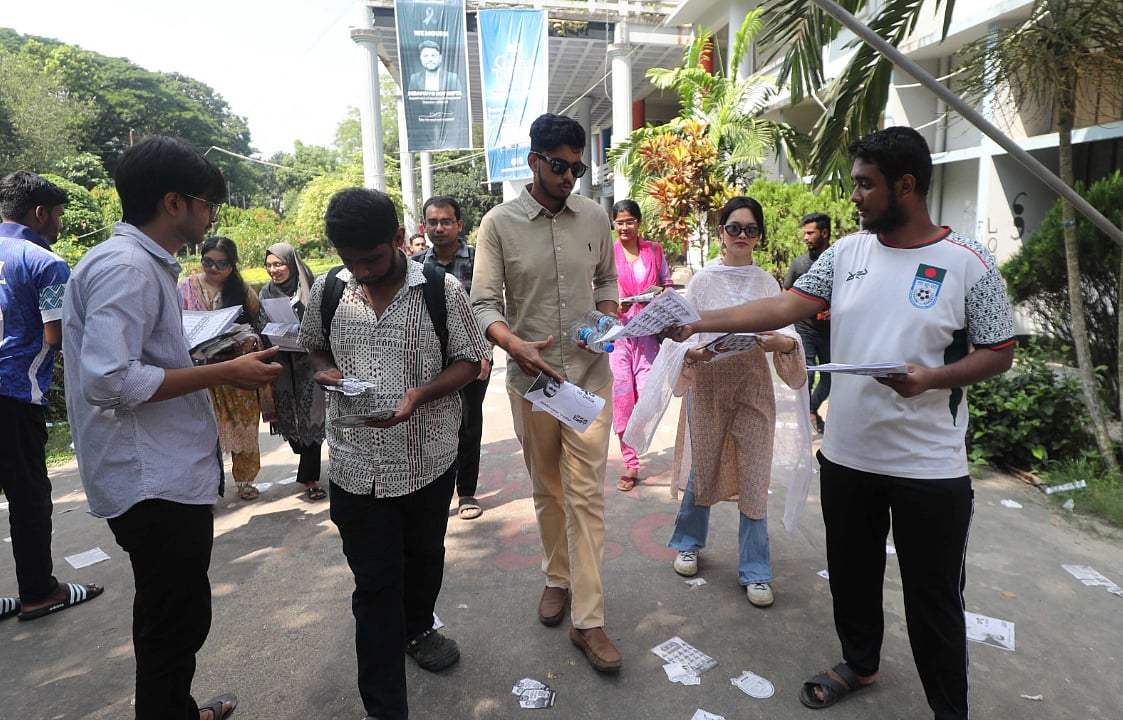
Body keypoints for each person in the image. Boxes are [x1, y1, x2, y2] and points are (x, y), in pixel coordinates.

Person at [667, 126, 1015, 720]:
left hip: (927, 467)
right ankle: (861, 662)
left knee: (932, 598)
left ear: (905, 185)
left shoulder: (968, 264)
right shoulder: (846, 254)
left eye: (865, 184)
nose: (854, 196)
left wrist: (930, 378)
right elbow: (784, 305)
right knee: (852, 578)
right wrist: (698, 320)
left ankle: (948, 709)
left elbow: (1000, 350)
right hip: (849, 458)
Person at [63, 135, 282, 720]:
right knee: (173, 619)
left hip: (161, 471)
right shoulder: (127, 268)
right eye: (207, 202)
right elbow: (109, 381)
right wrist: (224, 372)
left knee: (173, 612)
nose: (211, 215)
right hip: (148, 478)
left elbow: (141, 358)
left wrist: (207, 362)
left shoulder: (141, 265)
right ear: (174, 202)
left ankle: (174, 709)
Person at [299, 188, 489, 720]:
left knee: (425, 557)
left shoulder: (440, 290)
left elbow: (471, 362)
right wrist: (324, 369)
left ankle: (419, 627)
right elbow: (313, 343)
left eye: (373, 259)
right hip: (356, 465)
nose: (360, 270)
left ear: (399, 240)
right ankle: (386, 708)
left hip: (427, 460)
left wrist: (419, 395)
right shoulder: (330, 291)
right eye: (349, 260)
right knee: (375, 583)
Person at [472, 112, 623, 672]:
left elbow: (607, 278)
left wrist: (606, 314)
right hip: (532, 383)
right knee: (549, 490)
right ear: (533, 161)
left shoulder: (595, 217)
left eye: (577, 169)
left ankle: (590, 620)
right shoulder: (498, 224)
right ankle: (556, 576)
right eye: (559, 166)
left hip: (588, 379)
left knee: (587, 496)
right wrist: (515, 345)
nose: (568, 179)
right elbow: (483, 302)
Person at [662, 196, 811, 608]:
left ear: (759, 236)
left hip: (753, 387)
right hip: (709, 386)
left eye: (750, 230)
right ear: (720, 233)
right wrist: (694, 353)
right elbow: (684, 338)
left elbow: (789, 337)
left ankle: (756, 570)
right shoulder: (703, 281)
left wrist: (778, 341)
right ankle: (689, 543)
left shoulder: (767, 283)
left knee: (754, 474)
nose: (742, 236)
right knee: (704, 465)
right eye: (734, 228)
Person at [0, 171, 103, 622]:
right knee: (28, 497)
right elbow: (57, 334)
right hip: (13, 394)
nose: (59, 224)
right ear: (39, 213)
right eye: (59, 215)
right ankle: (39, 591)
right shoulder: (44, 261)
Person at [413, 195, 491, 520]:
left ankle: (467, 492)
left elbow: (490, 307)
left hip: (473, 358)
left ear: (459, 225)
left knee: (468, 425)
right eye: (433, 222)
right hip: (430, 362)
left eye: (446, 221)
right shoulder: (416, 265)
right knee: (430, 425)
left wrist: (485, 353)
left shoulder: (480, 260)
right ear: (424, 227)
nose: (440, 228)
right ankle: (432, 491)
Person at [178, 236, 268, 501]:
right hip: (200, 372)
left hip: (237, 370)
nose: (213, 268)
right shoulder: (185, 288)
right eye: (208, 261)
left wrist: (248, 341)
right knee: (205, 431)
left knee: (245, 425)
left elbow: (258, 327)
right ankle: (209, 486)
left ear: (232, 265)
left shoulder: (242, 291)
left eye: (221, 263)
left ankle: (245, 479)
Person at [608, 199, 672, 492]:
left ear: (639, 222)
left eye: (630, 221)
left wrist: (660, 294)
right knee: (622, 400)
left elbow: (667, 285)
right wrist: (611, 303)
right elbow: (597, 287)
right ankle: (631, 464)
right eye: (620, 222)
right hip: (619, 336)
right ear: (613, 224)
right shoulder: (607, 254)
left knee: (647, 398)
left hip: (648, 336)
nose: (625, 227)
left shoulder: (654, 251)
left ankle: (638, 442)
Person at [260, 242, 326, 501]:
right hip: (282, 364)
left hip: (310, 362)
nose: (273, 270)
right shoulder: (266, 291)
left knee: (312, 415)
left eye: (278, 264)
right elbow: (260, 324)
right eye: (269, 265)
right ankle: (304, 461)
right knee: (292, 425)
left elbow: (324, 319)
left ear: (291, 263)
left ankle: (309, 478)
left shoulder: (310, 285)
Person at [784, 212, 832, 433]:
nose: (805, 237)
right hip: (804, 330)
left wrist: (837, 310)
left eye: (810, 233)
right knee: (809, 374)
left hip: (831, 332)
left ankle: (811, 410)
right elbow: (785, 294)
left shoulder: (837, 262)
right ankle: (807, 418)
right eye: (804, 233)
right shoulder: (799, 263)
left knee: (830, 379)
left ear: (825, 233)